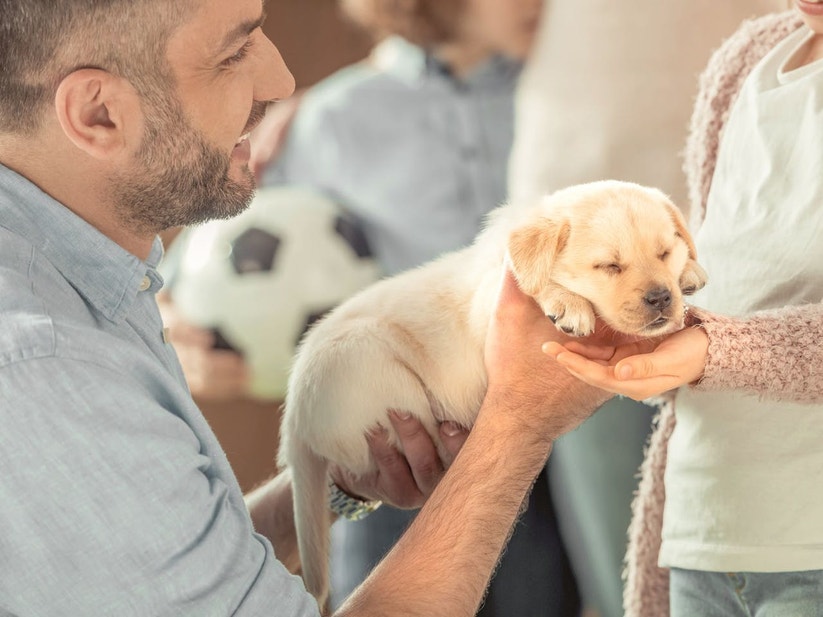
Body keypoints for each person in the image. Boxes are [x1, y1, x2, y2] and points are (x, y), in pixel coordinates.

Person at [0, 1, 620, 615]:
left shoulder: (77, 278)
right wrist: (518, 423)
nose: (282, 82)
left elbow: (154, 576)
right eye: (233, 52)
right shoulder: (46, 364)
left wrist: (336, 483)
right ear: (99, 114)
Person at [252, 1, 582, 614]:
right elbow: (232, 281)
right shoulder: (331, 121)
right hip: (411, 434)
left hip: (559, 416)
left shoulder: (574, 84)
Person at [506, 2, 785, 615]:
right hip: (576, 256)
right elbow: (476, 21)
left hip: (745, 231)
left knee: (747, 552)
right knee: (631, 576)